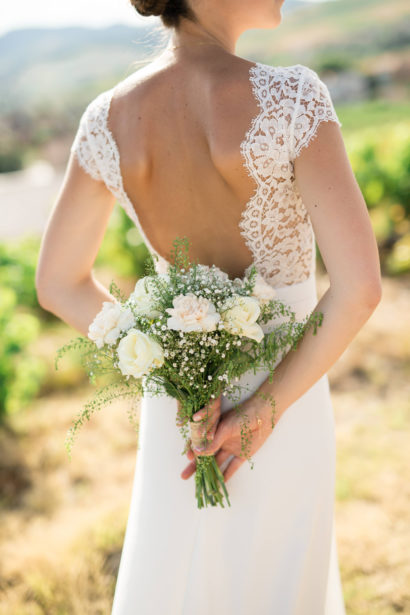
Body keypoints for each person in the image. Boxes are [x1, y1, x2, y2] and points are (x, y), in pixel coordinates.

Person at [35, 0, 382, 613]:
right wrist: (264, 411)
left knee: (180, 577)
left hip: (184, 411)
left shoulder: (106, 120)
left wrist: (163, 360)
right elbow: (360, 288)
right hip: (287, 406)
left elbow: (58, 282)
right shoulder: (292, 100)